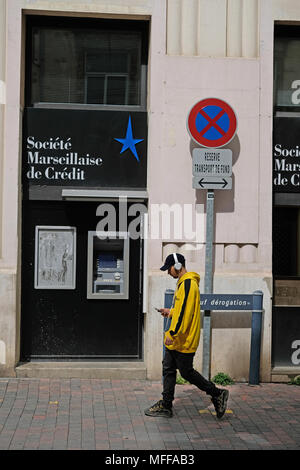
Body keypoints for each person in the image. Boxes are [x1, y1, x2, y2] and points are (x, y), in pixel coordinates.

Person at [144, 253, 229, 419]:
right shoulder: (183, 284)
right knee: (168, 368)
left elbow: (185, 315)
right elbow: (183, 310)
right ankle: (166, 405)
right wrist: (170, 312)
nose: (168, 273)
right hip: (179, 337)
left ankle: (217, 393)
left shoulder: (189, 284)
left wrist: (173, 333)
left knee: (186, 372)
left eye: (169, 269)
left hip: (183, 338)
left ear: (177, 266)